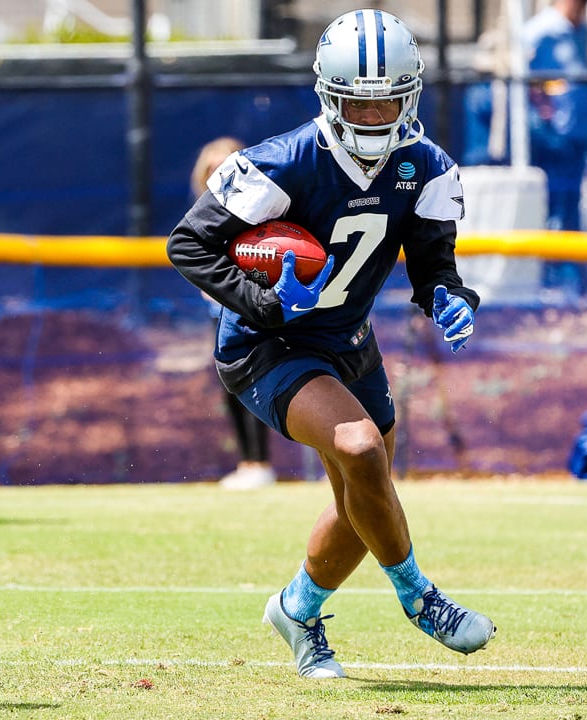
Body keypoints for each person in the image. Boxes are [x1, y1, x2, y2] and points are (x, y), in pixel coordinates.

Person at [167, 9, 495, 678]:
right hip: (268, 343)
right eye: (358, 101)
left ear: (411, 95)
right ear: (329, 95)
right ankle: (420, 597)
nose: (374, 116)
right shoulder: (281, 162)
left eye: (388, 100)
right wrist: (263, 299)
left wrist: (450, 299)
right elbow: (188, 243)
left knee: (360, 500)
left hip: (349, 341)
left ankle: (297, 610)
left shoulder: (427, 168)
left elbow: (433, 267)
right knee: (360, 447)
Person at [190, 136, 277, 490]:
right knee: (230, 386)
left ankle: (262, 463)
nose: (218, 174)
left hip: (251, 311)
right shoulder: (203, 213)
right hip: (219, 313)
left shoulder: (259, 211)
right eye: (212, 168)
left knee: (255, 383)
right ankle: (247, 462)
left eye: (225, 166)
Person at [522, 0, 587, 296]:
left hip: (577, 136)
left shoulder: (582, 30)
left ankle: (572, 280)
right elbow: (526, 80)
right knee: (553, 206)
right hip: (552, 140)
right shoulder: (541, 31)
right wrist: (543, 114)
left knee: (571, 206)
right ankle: (551, 279)